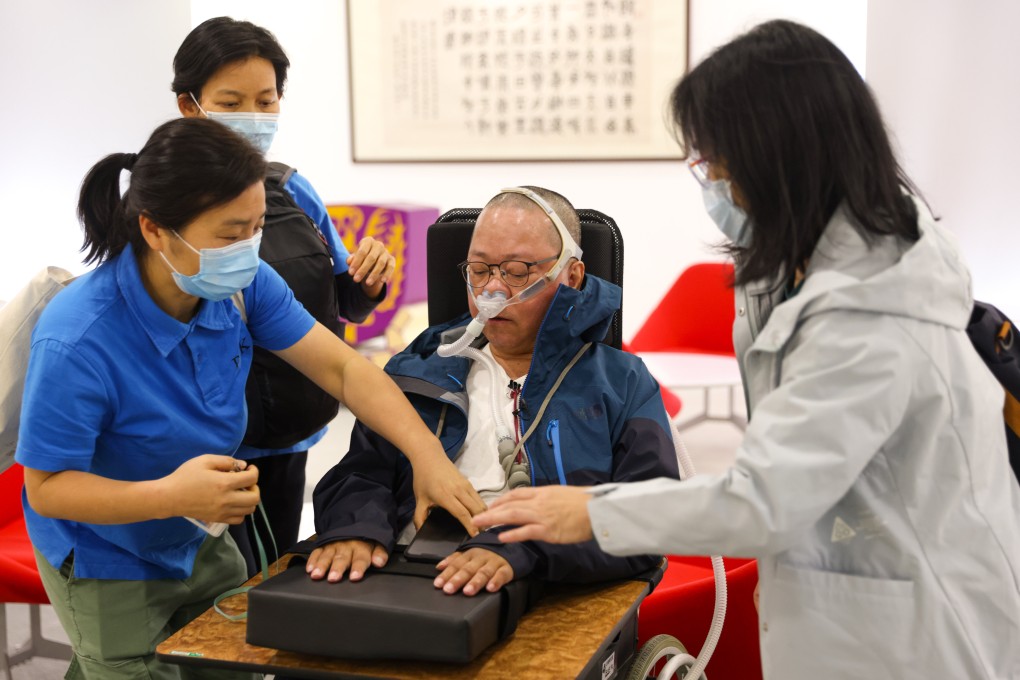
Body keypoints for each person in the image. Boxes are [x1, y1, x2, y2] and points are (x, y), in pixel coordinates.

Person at [473, 20, 1020, 678]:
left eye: (719, 160)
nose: (710, 180)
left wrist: (590, 511)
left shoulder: (874, 309)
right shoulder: (794, 265)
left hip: (918, 630)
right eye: (480, 268)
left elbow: (763, 500)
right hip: (836, 601)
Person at [16, 118, 482, 679]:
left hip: (201, 531)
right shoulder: (79, 338)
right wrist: (169, 495)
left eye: (257, 228)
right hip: (107, 557)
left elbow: (342, 368)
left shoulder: (241, 285)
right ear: (156, 229)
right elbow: (47, 489)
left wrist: (426, 457)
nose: (248, 249)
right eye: (230, 233)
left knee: (231, 658)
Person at [306, 187, 680, 595]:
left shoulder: (619, 381)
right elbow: (363, 472)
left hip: (547, 587)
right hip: (408, 575)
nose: (492, 292)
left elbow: (650, 517)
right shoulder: (419, 368)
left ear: (570, 276)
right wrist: (354, 529)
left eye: (517, 271)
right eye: (480, 270)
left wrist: (523, 551)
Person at [171, 16, 397, 573]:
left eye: (266, 101)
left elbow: (341, 301)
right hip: (203, 450)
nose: (253, 116)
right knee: (217, 597)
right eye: (231, 101)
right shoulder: (163, 202)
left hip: (293, 431)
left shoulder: (292, 189)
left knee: (274, 579)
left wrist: (368, 283)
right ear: (189, 106)